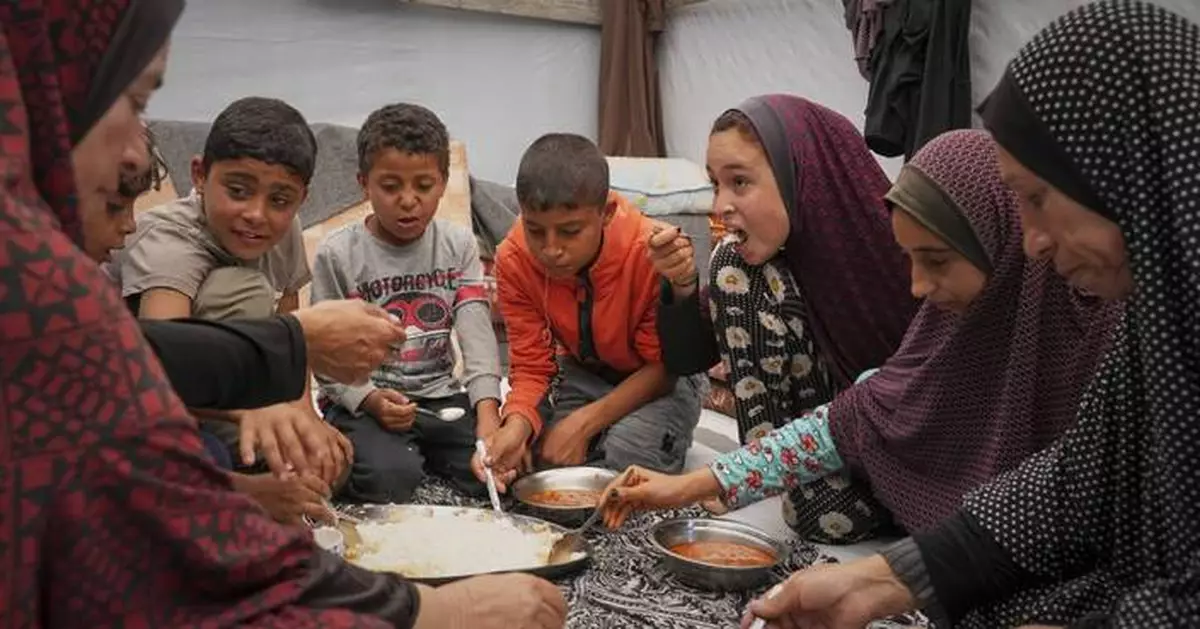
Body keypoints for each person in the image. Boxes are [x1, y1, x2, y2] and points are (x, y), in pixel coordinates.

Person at [0, 1, 566, 627]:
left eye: (281, 200)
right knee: (365, 464)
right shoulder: (51, 286)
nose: (139, 152)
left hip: (407, 401)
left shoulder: (44, 274)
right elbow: (154, 386)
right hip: (244, 416)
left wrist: (299, 410)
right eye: (134, 102)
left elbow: (153, 372)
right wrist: (430, 611)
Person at [738, 3, 1200, 628]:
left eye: (1037, 199)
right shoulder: (1158, 327)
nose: (1032, 242)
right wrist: (889, 577)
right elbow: (1073, 484)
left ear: (1128, 170)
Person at [602, 128, 1119, 543]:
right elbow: (857, 413)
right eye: (715, 184)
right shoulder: (945, 324)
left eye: (935, 262)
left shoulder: (1104, 329)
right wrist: (693, 485)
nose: (917, 286)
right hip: (892, 453)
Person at [649, 95, 919, 540]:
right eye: (715, 185)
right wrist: (680, 284)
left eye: (740, 182)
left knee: (823, 511)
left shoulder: (899, 253)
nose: (720, 205)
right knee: (729, 264)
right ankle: (763, 469)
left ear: (801, 174)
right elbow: (685, 358)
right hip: (811, 447)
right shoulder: (768, 262)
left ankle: (771, 476)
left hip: (906, 447)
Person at [111, 95, 347, 487]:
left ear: (301, 198)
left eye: (279, 200)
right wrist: (252, 413)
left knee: (325, 465)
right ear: (200, 176)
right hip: (160, 396)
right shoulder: (169, 244)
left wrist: (304, 412)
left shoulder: (284, 229)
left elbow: (291, 331)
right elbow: (169, 361)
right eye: (238, 191)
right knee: (241, 288)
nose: (256, 214)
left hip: (236, 384)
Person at [483, 133, 703, 487]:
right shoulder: (513, 258)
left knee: (626, 461)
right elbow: (530, 365)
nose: (550, 250)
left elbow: (666, 368)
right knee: (541, 460)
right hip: (585, 372)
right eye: (535, 230)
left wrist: (584, 423)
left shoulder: (651, 252)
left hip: (661, 378)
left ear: (607, 214)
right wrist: (518, 423)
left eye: (570, 232)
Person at [313, 103, 501, 504]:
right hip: (364, 398)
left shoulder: (459, 245)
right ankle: (393, 454)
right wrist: (370, 399)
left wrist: (488, 417)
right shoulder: (338, 254)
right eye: (391, 185)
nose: (408, 200)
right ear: (364, 183)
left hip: (440, 399)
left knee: (497, 466)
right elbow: (324, 357)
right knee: (388, 480)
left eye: (424, 185)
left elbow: (477, 335)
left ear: (444, 182)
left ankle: (424, 450)